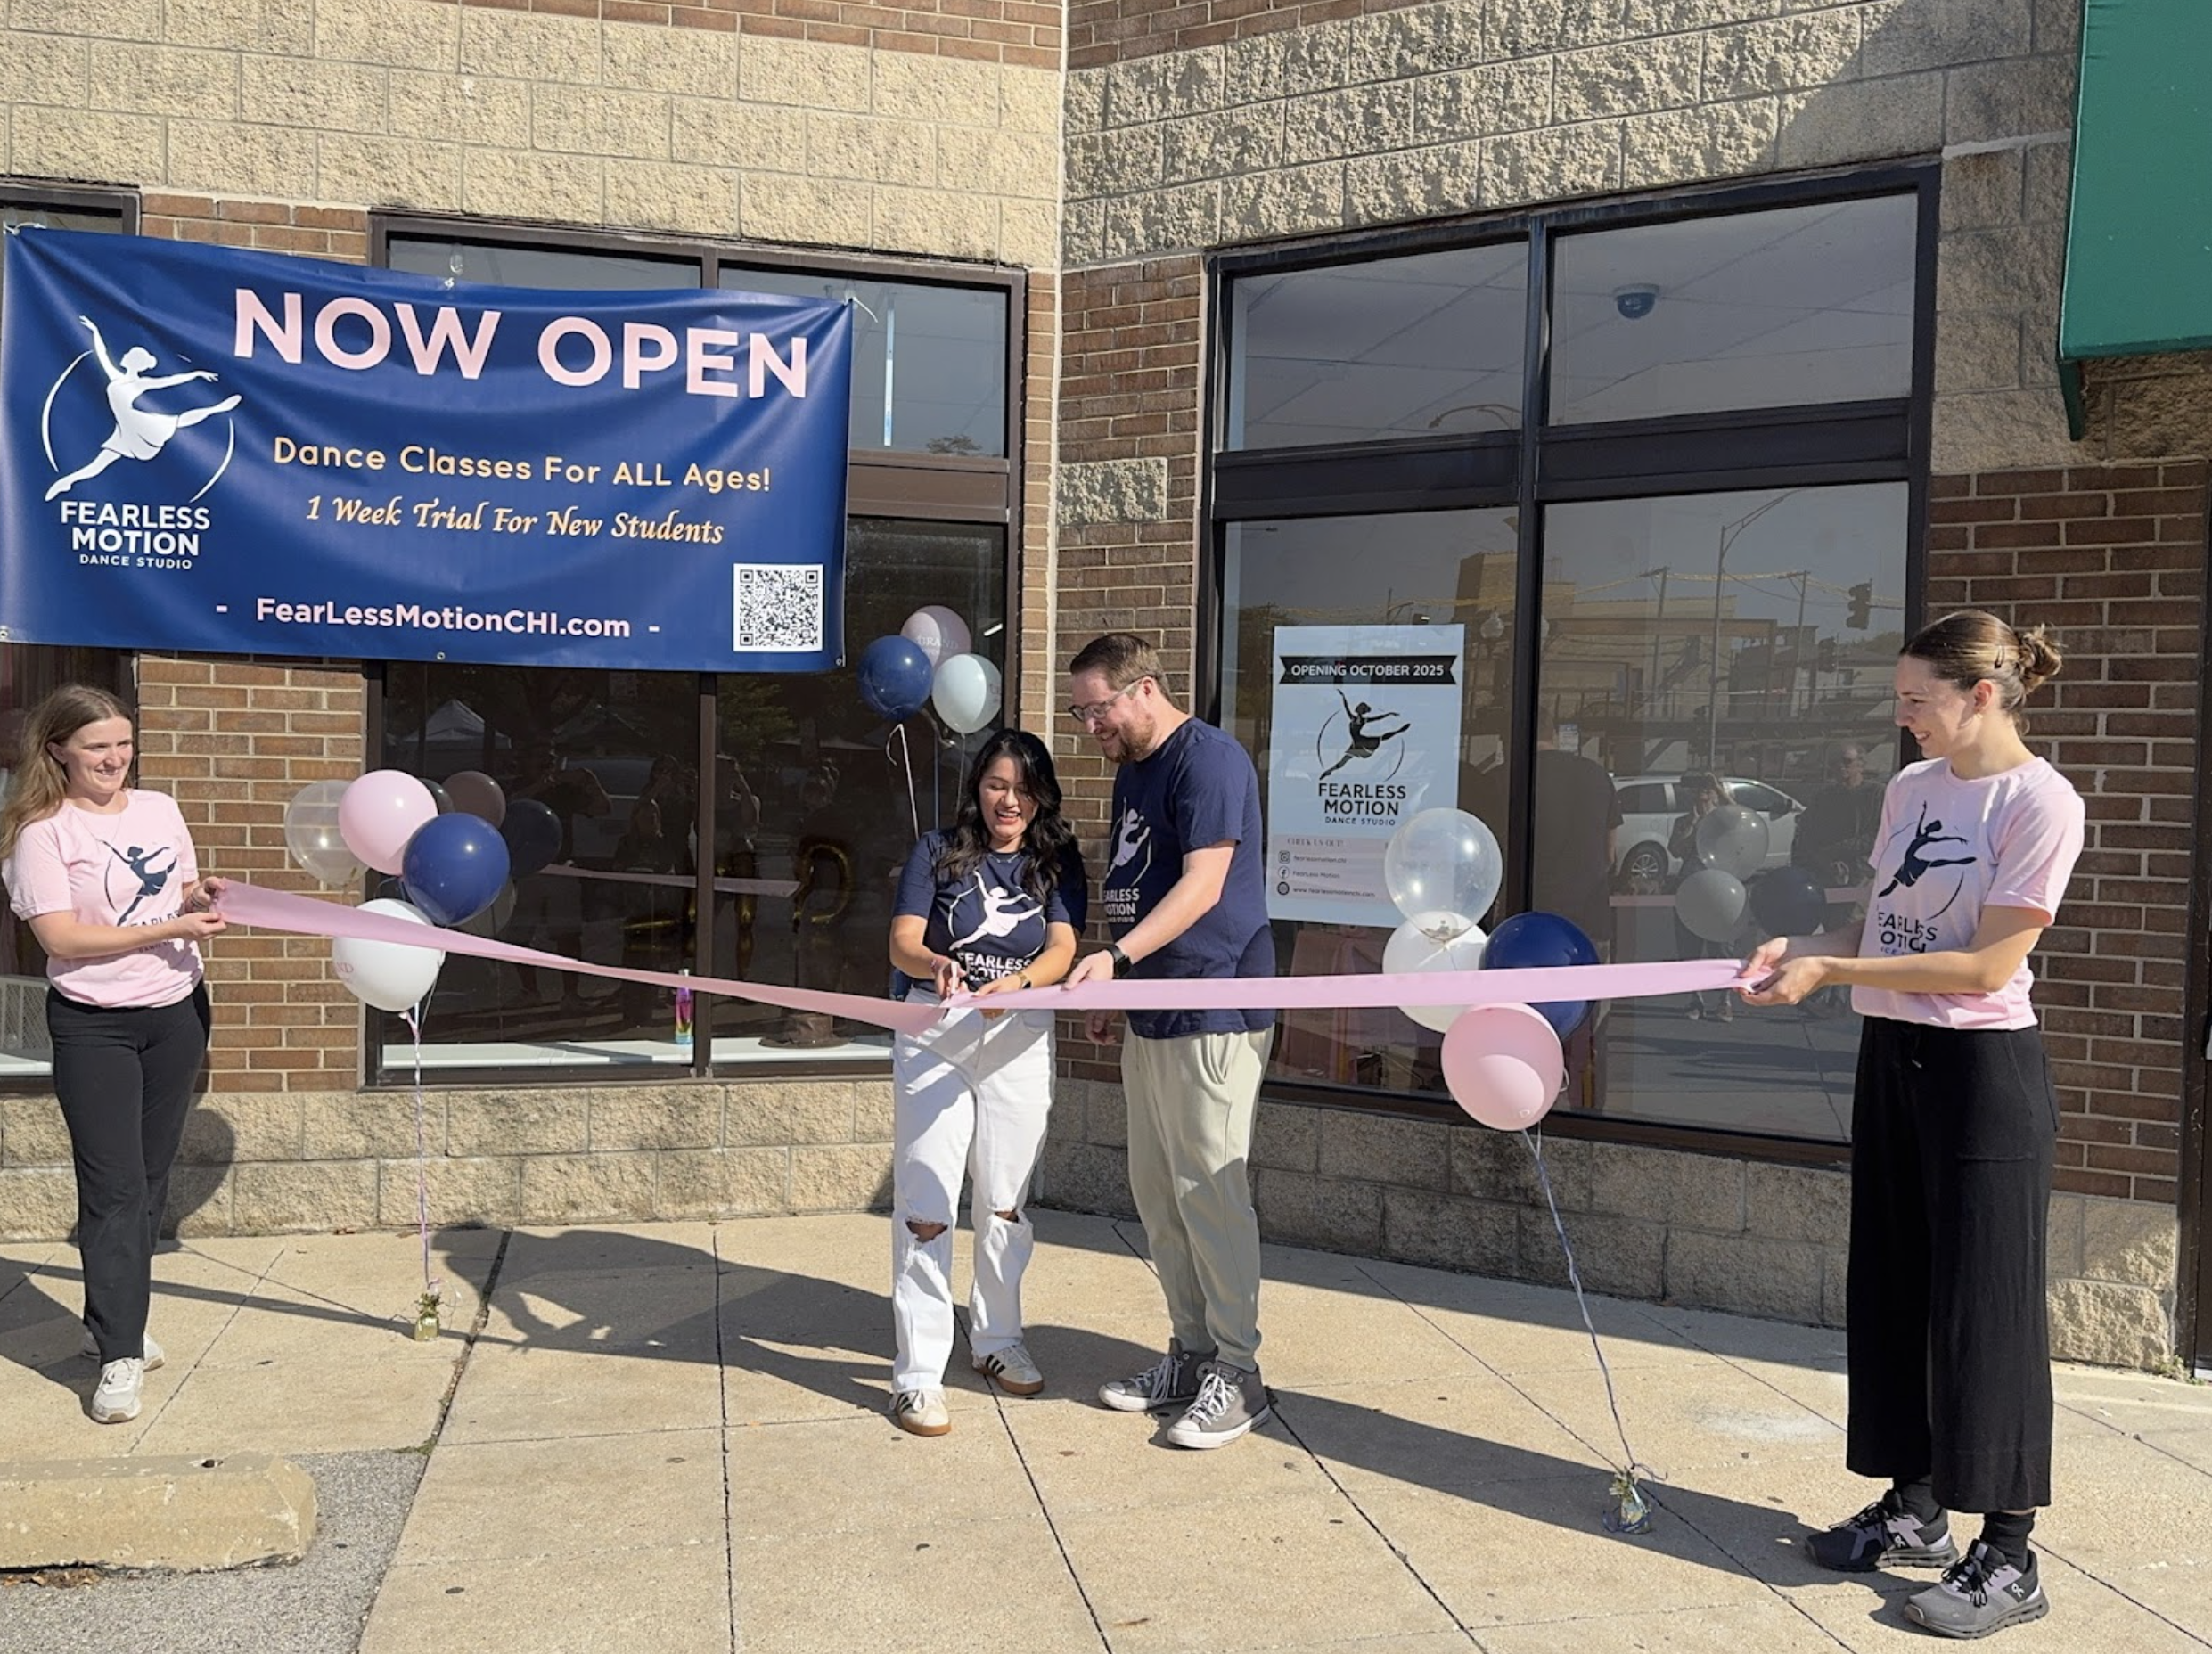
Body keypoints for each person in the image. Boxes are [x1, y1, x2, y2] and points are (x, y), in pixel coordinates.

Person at [1741, 610, 2083, 1640]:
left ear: (1981, 694)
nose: (1902, 718)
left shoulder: (2040, 802)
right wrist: (1803, 943)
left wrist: (1835, 968)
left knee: (1985, 1306)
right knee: (1891, 1284)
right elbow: (1883, 925)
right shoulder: (1909, 790)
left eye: (1917, 700)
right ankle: (1917, 1503)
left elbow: (1984, 965)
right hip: (1890, 1054)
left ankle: (2009, 1551)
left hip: (1983, 1072)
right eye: (1899, 699)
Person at [1062, 633, 1277, 1450]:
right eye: (1082, 714)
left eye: (1097, 709)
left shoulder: (1209, 759)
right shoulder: (1132, 770)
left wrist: (1115, 960)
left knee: (1210, 1194)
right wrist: (1114, 986)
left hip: (1214, 1008)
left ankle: (1240, 1371)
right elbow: (1134, 881)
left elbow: (1205, 882)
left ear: (1143, 689)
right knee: (1158, 1194)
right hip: (1151, 1008)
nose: (1091, 727)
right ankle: (1190, 1354)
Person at [0, 685, 228, 1425]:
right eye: (98, 746)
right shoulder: (42, 831)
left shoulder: (158, 809)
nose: (115, 759)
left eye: (123, 744)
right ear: (59, 748)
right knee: (114, 1190)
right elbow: (61, 939)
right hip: (95, 1025)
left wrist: (201, 893)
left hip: (176, 1016)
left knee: (150, 1181)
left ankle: (117, 1322)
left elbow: (179, 885)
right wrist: (168, 928)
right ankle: (121, 1354)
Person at [881, 729, 1086, 1437]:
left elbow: (1064, 948)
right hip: (934, 1034)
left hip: (1018, 1038)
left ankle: (996, 1341)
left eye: (1024, 788)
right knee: (928, 1204)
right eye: (999, 784)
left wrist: (1018, 983)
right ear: (978, 787)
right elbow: (902, 937)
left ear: (1040, 797)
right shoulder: (937, 851)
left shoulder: (1054, 860)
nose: (1010, 799)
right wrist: (936, 964)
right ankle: (917, 1375)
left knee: (1004, 1203)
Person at [1525, 709, 1623, 1108]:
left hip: (1528, 927)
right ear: (1553, 734)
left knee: (1529, 1026)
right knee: (1589, 1030)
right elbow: (1611, 852)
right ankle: (1586, 1110)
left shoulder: (1508, 775)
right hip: (1589, 919)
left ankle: (1530, 1103)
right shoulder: (1596, 776)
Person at [1669, 771, 1733, 1021]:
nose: (1704, 795)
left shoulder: (1724, 821)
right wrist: (1694, 823)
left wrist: (1720, 790)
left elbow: (1743, 817)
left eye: (1708, 791)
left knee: (1722, 948)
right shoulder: (1683, 821)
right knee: (1690, 947)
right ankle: (1695, 999)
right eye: (1701, 790)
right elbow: (1676, 850)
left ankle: (1724, 1000)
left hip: (1722, 891)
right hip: (1691, 888)